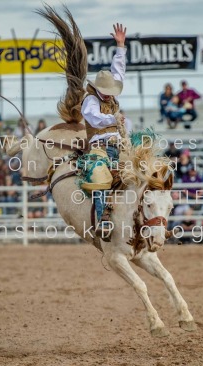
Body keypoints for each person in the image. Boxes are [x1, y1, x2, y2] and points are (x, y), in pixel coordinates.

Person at [80, 22, 129, 240]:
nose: (110, 94)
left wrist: (120, 46)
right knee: (99, 176)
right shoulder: (90, 100)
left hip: (120, 145)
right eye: (107, 91)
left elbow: (119, 72)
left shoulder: (110, 95)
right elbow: (94, 118)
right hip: (100, 147)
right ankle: (103, 220)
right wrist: (114, 117)